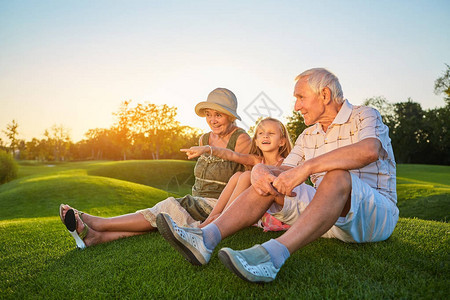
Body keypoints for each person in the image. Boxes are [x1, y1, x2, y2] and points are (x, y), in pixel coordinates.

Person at [156, 68, 399, 283]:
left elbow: (369, 151)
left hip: (374, 215)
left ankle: (272, 256)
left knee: (336, 176)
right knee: (269, 180)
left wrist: (307, 168)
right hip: (324, 218)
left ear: (324, 95)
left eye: (301, 97)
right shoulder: (307, 135)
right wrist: (261, 170)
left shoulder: (364, 115)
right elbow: (282, 170)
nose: (296, 106)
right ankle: (205, 239)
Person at [59, 87, 252, 249]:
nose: (212, 120)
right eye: (209, 115)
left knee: (166, 207)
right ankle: (96, 238)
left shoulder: (241, 139)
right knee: (160, 218)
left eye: (218, 115)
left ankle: (98, 223)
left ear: (230, 116)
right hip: (196, 199)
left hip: (218, 203)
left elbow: (248, 176)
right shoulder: (203, 138)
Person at [181, 117, 292, 230]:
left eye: (271, 133)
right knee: (237, 175)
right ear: (256, 142)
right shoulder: (257, 160)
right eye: (261, 133)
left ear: (282, 141)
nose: (265, 136)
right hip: (260, 206)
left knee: (246, 175)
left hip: (278, 207)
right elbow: (232, 155)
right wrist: (207, 149)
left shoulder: (285, 163)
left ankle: (221, 220)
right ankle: (211, 218)